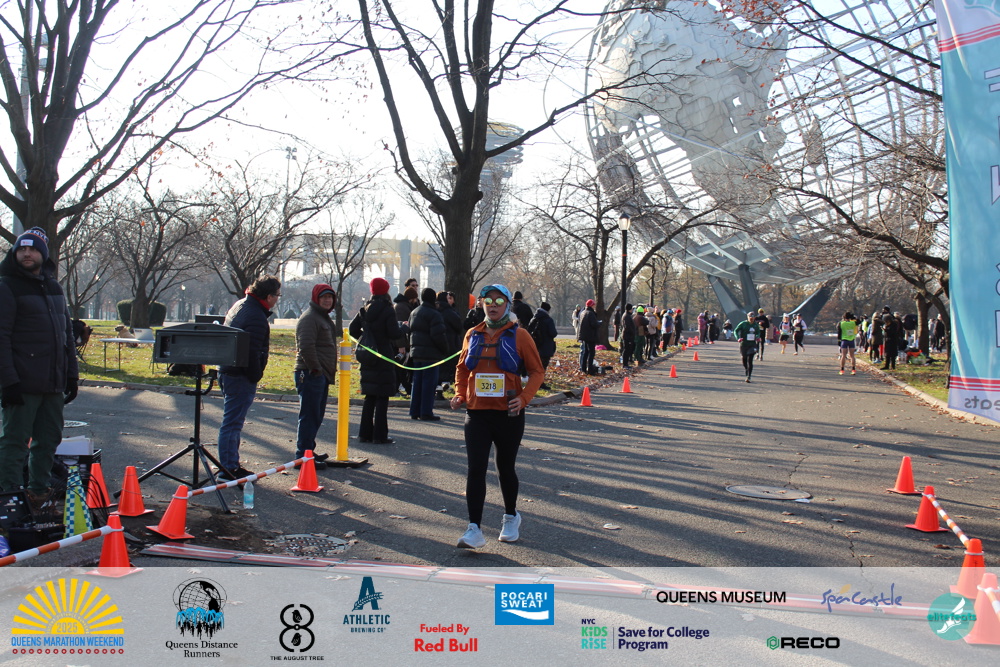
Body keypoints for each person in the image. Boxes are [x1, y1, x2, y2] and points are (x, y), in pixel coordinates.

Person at [0, 227, 79, 550]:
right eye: (22, 250)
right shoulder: (7, 286)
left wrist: (71, 375)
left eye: (32, 250)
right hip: (22, 382)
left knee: (48, 441)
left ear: (43, 255)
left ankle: (39, 495)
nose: (27, 254)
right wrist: (8, 382)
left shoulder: (54, 287)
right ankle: (9, 502)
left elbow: (66, 335)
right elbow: (1, 337)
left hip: (53, 383)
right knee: (14, 442)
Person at [450, 284, 544, 548]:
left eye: (499, 301)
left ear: (507, 305)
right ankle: (474, 529)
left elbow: (537, 371)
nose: (492, 305)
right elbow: (462, 369)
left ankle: (511, 516)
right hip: (477, 413)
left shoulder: (520, 336)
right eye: (488, 300)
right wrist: (459, 393)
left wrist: (523, 399)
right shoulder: (472, 334)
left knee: (505, 467)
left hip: (508, 414)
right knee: (475, 469)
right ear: (481, 304)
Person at [217, 274, 281, 480]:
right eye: (277, 295)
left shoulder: (241, 305)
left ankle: (231, 465)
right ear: (269, 296)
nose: (277, 299)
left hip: (228, 370)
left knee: (232, 422)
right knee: (232, 423)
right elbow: (252, 352)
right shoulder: (256, 316)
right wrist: (256, 375)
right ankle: (228, 468)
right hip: (239, 375)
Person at [350, 278, 404, 444]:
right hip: (383, 355)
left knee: (370, 396)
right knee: (382, 397)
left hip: (368, 355)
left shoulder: (365, 309)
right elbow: (394, 333)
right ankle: (380, 435)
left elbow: (352, 329)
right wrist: (403, 328)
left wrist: (366, 338)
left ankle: (364, 433)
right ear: (386, 290)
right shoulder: (387, 309)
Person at [293, 284, 339, 468]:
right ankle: (302, 456)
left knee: (316, 416)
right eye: (324, 297)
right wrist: (316, 369)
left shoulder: (322, 317)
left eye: (330, 297)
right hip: (310, 373)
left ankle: (308, 452)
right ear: (316, 298)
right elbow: (305, 346)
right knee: (309, 416)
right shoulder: (310, 318)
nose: (328, 300)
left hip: (320, 374)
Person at [408, 287, 449, 420]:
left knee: (417, 383)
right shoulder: (434, 314)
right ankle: (426, 412)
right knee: (429, 384)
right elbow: (438, 335)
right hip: (430, 354)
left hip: (416, 353)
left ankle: (414, 410)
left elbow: (410, 331)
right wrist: (445, 349)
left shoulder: (414, 312)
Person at [437, 290, 463, 388]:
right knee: (449, 365)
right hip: (451, 342)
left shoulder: (434, 310)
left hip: (437, 342)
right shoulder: (450, 312)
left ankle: (439, 387)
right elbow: (459, 327)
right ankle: (446, 383)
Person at [527, 301, 558, 376]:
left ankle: (533, 378)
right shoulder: (548, 320)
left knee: (535, 366)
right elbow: (553, 333)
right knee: (543, 366)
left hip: (534, 346)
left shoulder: (534, 319)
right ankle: (540, 380)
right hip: (545, 346)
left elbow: (528, 330)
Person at [733, 311, 759, 382]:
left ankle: (749, 376)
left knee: (750, 360)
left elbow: (758, 332)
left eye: (753, 317)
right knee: (744, 359)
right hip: (744, 344)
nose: (751, 319)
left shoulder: (755, 325)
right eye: (750, 317)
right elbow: (736, 330)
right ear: (748, 317)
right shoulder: (743, 324)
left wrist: (757, 336)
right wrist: (738, 338)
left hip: (752, 344)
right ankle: (746, 369)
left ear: (754, 318)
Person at [577, 299, 599, 374]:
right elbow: (593, 324)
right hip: (590, 335)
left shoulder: (583, 312)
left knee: (585, 352)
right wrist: (599, 323)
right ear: (591, 305)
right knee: (591, 352)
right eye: (594, 305)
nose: (595, 306)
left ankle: (583, 368)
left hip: (584, 335)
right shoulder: (591, 313)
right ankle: (590, 369)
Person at [836, 311, 858, 375]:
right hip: (851, 340)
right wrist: (853, 318)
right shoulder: (853, 323)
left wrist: (839, 341)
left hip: (844, 340)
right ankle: (853, 369)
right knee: (852, 356)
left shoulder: (841, 323)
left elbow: (839, 332)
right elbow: (859, 321)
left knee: (843, 355)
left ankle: (842, 370)